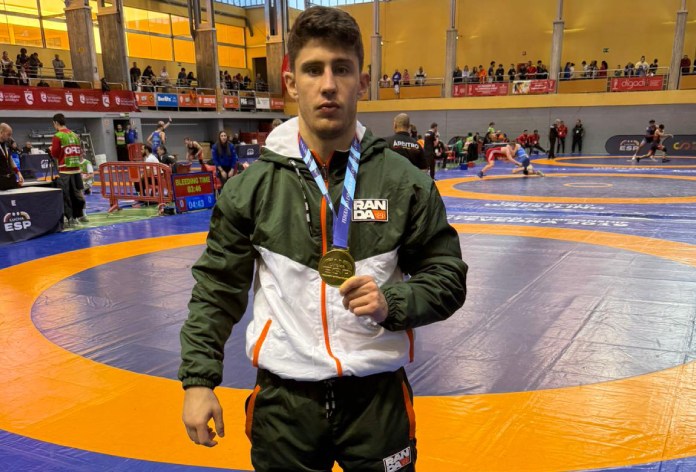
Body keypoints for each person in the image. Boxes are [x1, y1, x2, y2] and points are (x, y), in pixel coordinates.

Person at [178, 6, 467, 472]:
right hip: (284, 403)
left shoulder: (405, 183)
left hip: (377, 399)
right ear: (291, 83)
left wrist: (392, 302)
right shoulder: (251, 188)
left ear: (362, 82)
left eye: (342, 69)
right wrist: (198, 380)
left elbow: (447, 277)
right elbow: (216, 288)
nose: (328, 84)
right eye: (313, 70)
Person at [49, 113, 88, 225]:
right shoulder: (75, 135)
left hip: (65, 170)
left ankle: (71, 218)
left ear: (56, 123)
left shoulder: (58, 136)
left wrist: (51, 149)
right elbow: (80, 152)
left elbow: (55, 154)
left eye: (53, 124)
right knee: (77, 193)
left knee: (66, 195)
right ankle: (81, 215)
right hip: (77, 169)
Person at [0, 124, 24, 191]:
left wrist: (18, 173)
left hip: (9, 179)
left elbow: (10, 159)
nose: (10, 137)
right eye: (8, 134)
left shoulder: (6, 145)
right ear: (1, 132)